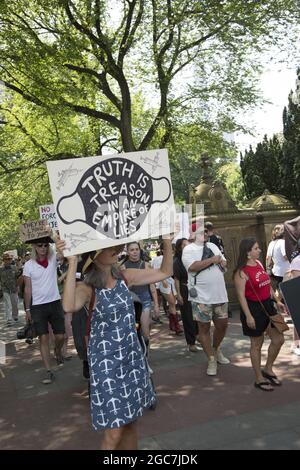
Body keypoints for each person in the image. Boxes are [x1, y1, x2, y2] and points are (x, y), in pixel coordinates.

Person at [57, 236, 173, 450]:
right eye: (107, 247)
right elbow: (68, 305)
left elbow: (164, 273)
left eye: (114, 245)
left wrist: (167, 241)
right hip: (107, 366)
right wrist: (72, 262)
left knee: (131, 424)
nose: (115, 249)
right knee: (114, 431)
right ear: (93, 255)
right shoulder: (88, 288)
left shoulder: (126, 277)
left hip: (132, 359)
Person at [233, 237, 285, 391]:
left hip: (268, 306)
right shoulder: (241, 272)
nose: (259, 250)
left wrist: (276, 301)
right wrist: (248, 316)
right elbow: (241, 296)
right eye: (256, 248)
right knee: (257, 344)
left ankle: (268, 368)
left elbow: (267, 285)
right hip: (253, 309)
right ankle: (258, 378)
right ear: (248, 252)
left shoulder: (260, 264)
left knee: (279, 339)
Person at [182, 226, 230, 376]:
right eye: (202, 232)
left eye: (206, 231)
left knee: (222, 325)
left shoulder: (213, 246)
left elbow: (222, 260)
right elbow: (192, 267)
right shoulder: (188, 249)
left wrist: (222, 262)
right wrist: (212, 260)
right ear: (194, 235)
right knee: (203, 328)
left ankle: (216, 349)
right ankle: (211, 359)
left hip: (220, 294)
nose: (206, 234)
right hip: (201, 297)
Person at [23, 239, 65, 384]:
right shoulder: (28, 265)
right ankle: (48, 371)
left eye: (46, 245)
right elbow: (27, 289)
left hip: (54, 303)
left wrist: (55, 237)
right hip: (38, 306)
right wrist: (27, 309)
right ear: (34, 247)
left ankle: (58, 350)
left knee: (61, 336)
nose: (43, 248)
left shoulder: (53, 258)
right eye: (40, 245)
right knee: (43, 338)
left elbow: (64, 253)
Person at [173, 238, 198, 352]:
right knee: (188, 316)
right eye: (183, 245)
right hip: (184, 289)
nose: (186, 247)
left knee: (199, 314)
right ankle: (191, 342)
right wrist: (178, 294)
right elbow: (177, 279)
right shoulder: (177, 261)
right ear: (179, 247)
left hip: (196, 288)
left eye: (188, 245)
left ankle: (200, 336)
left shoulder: (194, 258)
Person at [0, 252, 19, 325]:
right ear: (4, 260)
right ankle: (9, 319)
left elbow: (18, 277)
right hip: (5, 289)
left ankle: (15, 316)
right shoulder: (1, 269)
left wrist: (18, 286)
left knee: (15, 304)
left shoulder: (14, 267)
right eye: (6, 259)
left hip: (14, 288)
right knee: (8, 304)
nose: (8, 260)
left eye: (9, 259)